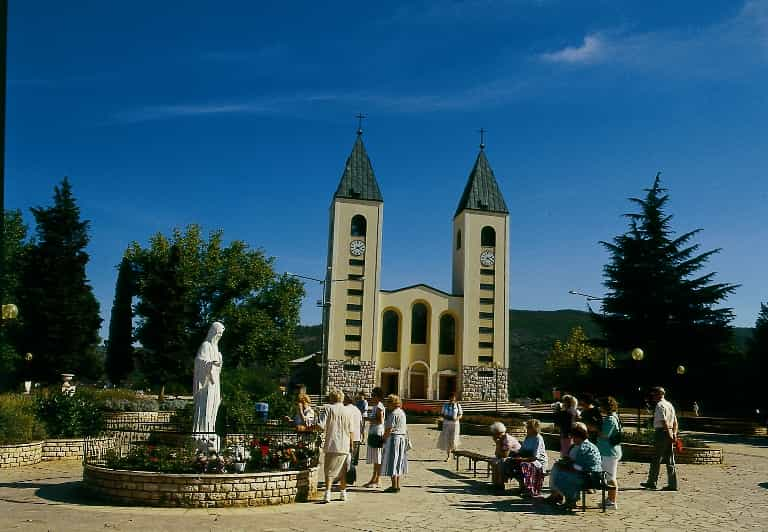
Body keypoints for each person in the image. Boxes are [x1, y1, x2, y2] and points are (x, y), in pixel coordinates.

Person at [545, 422, 603, 510]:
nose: (572, 439)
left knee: (562, 476)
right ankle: (557, 495)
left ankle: (570, 500)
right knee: (557, 468)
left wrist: (567, 465)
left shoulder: (584, 447)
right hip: (588, 474)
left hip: (590, 476)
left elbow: (579, 466)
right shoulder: (581, 446)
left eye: (573, 437)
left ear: (578, 436)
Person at [317, 389, 354, 503]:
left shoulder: (328, 409)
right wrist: (351, 445)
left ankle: (327, 493)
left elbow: (321, 426)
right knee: (343, 470)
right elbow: (351, 430)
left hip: (332, 443)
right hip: (345, 444)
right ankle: (343, 493)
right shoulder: (348, 411)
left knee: (329, 470)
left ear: (332, 398)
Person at [192, 322, 225, 451]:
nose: (219, 336)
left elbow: (218, 369)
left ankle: (210, 430)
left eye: (221, 334)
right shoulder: (205, 346)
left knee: (213, 408)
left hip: (214, 384)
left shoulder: (216, 349)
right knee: (205, 408)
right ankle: (202, 433)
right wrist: (210, 364)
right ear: (213, 332)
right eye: (218, 333)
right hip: (206, 385)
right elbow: (199, 362)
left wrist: (219, 363)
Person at [642, 386, 678, 491]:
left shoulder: (660, 405)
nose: (653, 397)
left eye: (654, 394)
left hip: (662, 432)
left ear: (659, 394)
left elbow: (664, 421)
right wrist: (674, 433)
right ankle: (673, 484)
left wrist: (669, 433)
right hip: (670, 431)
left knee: (656, 458)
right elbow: (675, 421)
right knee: (670, 459)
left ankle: (652, 482)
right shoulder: (670, 405)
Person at [506, 418, 547, 497]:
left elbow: (535, 457)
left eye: (528, 428)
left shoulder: (538, 438)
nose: (527, 429)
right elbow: (521, 450)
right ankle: (522, 485)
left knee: (524, 465)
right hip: (526, 458)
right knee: (510, 461)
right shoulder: (528, 437)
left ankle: (529, 488)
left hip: (538, 461)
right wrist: (514, 453)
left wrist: (522, 459)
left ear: (533, 428)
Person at [596, 396, 622, 509]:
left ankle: (612, 501)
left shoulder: (610, 419)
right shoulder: (612, 417)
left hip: (609, 452)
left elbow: (604, 434)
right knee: (608, 476)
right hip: (607, 451)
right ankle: (609, 498)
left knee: (611, 477)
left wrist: (596, 430)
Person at [381, 394, 408, 493]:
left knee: (392, 461)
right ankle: (397, 485)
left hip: (394, 439)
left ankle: (393, 485)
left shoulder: (393, 414)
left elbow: (389, 429)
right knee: (398, 462)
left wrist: (383, 439)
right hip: (401, 438)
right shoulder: (402, 412)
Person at [364, 387, 386, 488]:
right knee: (375, 458)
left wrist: (368, 419)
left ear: (377, 396)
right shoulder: (376, 406)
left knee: (378, 457)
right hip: (374, 432)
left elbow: (380, 421)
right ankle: (374, 478)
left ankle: (378, 479)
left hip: (378, 432)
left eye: (373, 395)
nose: (371, 397)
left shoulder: (379, 407)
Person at [343, 391, 363, 484]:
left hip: (348, 437)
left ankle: (347, 478)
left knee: (346, 459)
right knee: (353, 459)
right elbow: (361, 424)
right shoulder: (357, 410)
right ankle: (351, 478)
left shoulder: (345, 409)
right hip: (357, 437)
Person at [437, 391, 463, 461]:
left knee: (454, 439)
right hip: (446, 424)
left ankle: (454, 453)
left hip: (455, 425)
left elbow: (460, 415)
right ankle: (448, 456)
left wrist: (456, 418)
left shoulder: (458, 405)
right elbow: (442, 414)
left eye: (453, 397)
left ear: (455, 398)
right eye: (451, 397)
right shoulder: (445, 405)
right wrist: (442, 418)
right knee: (447, 440)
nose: (452, 399)